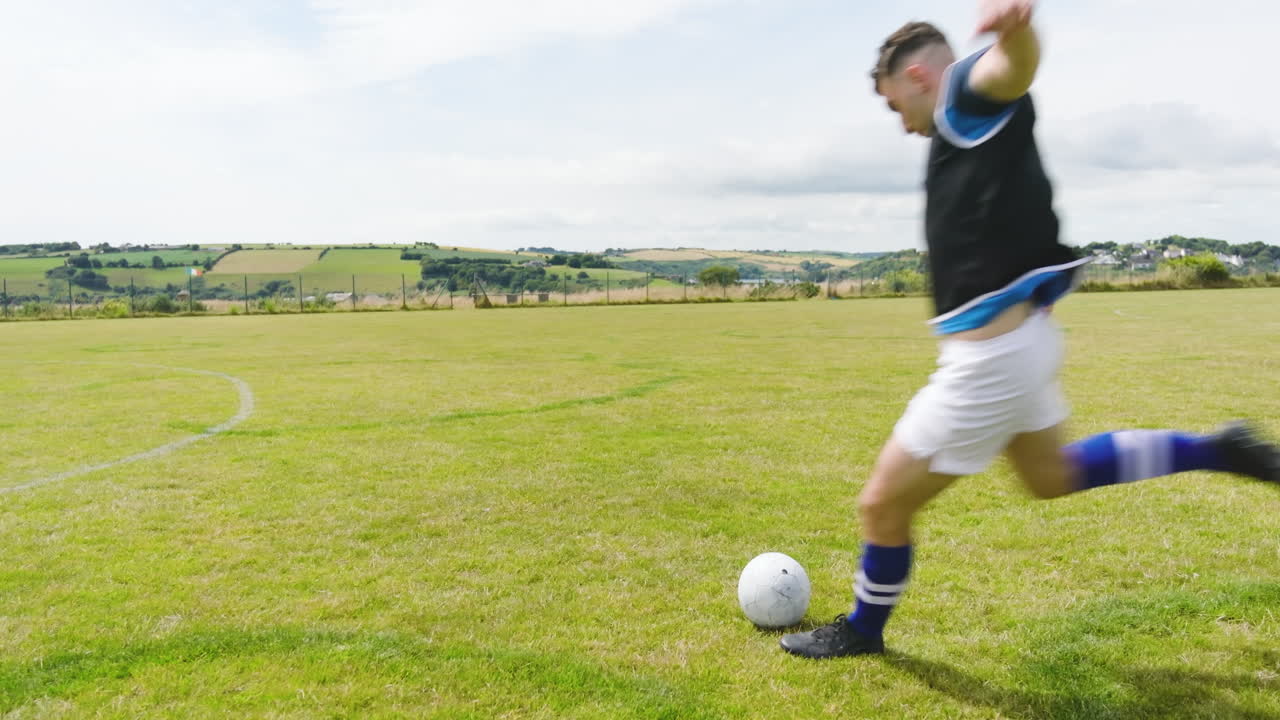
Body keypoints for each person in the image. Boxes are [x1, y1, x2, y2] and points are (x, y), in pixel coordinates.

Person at [779, 0, 1279, 660]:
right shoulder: (962, 129)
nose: (901, 124)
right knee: (1050, 475)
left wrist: (1017, 34)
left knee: (881, 505)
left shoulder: (961, 94)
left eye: (895, 105)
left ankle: (863, 632)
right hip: (1023, 347)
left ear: (918, 76)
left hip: (990, 363)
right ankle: (1218, 449)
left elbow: (1009, 70)